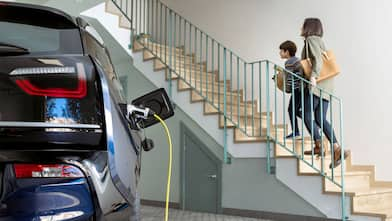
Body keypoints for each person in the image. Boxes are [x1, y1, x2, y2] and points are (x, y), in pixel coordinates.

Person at [300, 18, 349, 169]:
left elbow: (317, 62)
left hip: (316, 85)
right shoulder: (320, 41)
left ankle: (319, 145)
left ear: (308, 27)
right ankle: (336, 148)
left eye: (303, 25)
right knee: (321, 118)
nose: (301, 27)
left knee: (306, 114)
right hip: (327, 87)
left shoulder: (311, 39)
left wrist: (313, 76)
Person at [278, 40, 303, 139]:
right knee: (295, 110)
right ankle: (314, 123)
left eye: (281, 51)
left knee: (291, 110)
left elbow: (289, 78)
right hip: (302, 89)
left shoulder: (289, 62)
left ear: (287, 52)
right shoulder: (297, 60)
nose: (280, 53)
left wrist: (287, 89)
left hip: (297, 89)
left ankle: (296, 132)